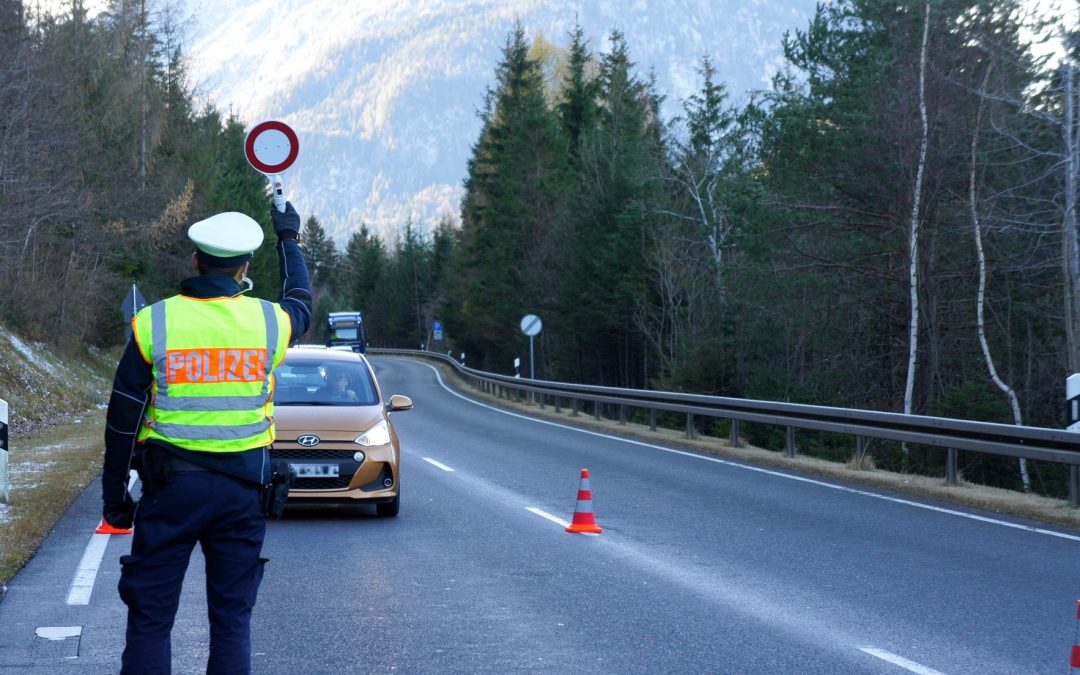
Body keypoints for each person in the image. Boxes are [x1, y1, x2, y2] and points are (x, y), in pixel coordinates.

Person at [101, 200, 313, 674]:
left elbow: (122, 419)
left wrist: (115, 497)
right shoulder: (267, 322)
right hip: (242, 495)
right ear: (244, 269)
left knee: (151, 620)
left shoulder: (154, 322)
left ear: (195, 261)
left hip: (170, 492)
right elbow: (301, 301)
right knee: (232, 621)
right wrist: (288, 237)